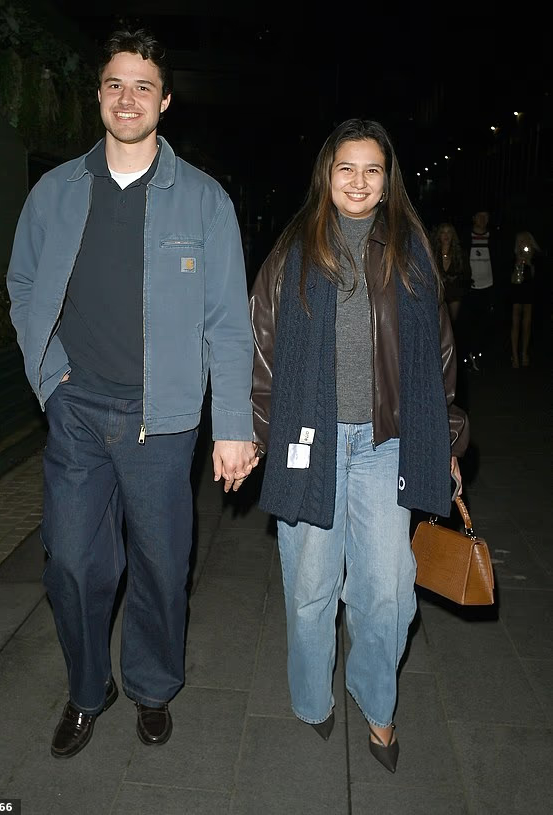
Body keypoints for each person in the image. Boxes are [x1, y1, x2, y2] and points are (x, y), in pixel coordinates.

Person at [6, 27, 259, 759]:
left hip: (164, 420)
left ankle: (151, 685)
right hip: (77, 410)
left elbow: (228, 322)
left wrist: (233, 426)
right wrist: (49, 375)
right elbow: (22, 284)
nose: (128, 98)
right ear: (98, 95)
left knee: (162, 565)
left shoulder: (205, 200)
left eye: (143, 86)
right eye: (115, 84)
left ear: (165, 101)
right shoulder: (54, 192)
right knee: (71, 562)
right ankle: (89, 689)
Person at [249, 118, 469, 773]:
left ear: (387, 179)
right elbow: (259, 343)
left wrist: (446, 439)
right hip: (308, 439)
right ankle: (311, 695)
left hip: (386, 442)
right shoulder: (294, 248)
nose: (358, 181)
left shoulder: (410, 249)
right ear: (327, 173)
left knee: (391, 589)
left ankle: (376, 697)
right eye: (346, 167)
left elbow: (440, 352)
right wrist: (256, 432)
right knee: (310, 585)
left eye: (373, 169)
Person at [460, 209, 500, 372]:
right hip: (470, 288)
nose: (483, 219)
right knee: (468, 324)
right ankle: (467, 356)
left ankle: (480, 355)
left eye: (486, 216)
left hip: (488, 287)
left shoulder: (494, 238)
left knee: (485, 325)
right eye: (480, 216)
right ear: (474, 218)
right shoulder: (465, 237)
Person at [430, 221, 471, 325]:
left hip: (454, 292)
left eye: (449, 232)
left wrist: (455, 278)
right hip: (437, 293)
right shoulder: (433, 253)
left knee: (452, 323)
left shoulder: (460, 253)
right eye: (443, 232)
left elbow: (466, 273)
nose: (446, 235)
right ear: (439, 235)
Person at [509, 230, 540, 367]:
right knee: (515, 322)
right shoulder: (514, 257)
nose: (523, 243)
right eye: (520, 241)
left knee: (527, 323)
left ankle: (524, 353)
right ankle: (515, 355)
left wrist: (529, 264)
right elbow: (512, 279)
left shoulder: (536, 257)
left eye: (526, 240)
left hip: (530, 291)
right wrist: (518, 264)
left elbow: (539, 277)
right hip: (517, 291)